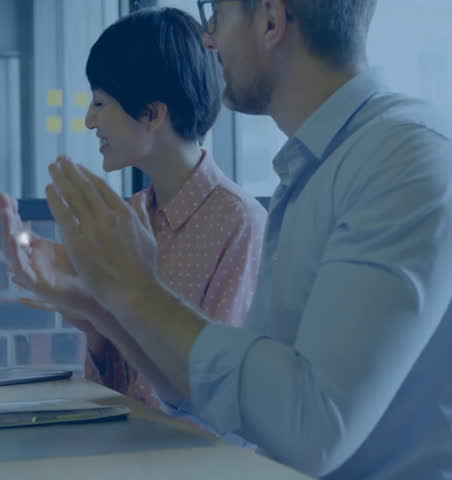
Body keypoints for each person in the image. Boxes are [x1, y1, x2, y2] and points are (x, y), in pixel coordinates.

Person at [45, 0, 452, 478]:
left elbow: (313, 428)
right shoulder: (312, 168)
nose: (209, 38)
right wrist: (104, 306)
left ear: (271, 21)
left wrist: (136, 290)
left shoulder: (404, 156)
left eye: (215, 14)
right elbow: (236, 405)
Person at [0, 7, 266, 416]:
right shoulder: (129, 217)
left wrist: (100, 307)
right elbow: (116, 388)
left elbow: (217, 395)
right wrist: (91, 318)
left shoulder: (239, 223)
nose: (90, 120)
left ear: (154, 113)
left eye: (100, 102)